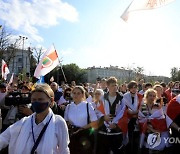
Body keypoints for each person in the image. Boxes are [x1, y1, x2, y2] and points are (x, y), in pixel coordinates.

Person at [0, 84, 70, 154]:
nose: (36, 102)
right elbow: (4, 137)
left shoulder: (58, 122)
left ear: (51, 101)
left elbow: (64, 149)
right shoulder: (24, 122)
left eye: (40, 99)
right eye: (33, 100)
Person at [64, 86, 98, 154]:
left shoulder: (88, 105)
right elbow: (66, 121)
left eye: (78, 93)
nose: (76, 95)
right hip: (72, 136)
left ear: (83, 94)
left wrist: (81, 128)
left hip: (84, 136)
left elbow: (94, 122)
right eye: (74, 93)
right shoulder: (69, 106)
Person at [138, 89, 173, 153]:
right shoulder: (143, 107)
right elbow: (141, 120)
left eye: (154, 96)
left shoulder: (157, 106)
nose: (152, 97)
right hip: (147, 130)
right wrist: (152, 129)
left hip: (158, 129)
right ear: (146, 96)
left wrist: (157, 129)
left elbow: (161, 119)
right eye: (150, 95)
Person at [96, 77, 125, 154]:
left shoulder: (121, 98)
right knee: (103, 150)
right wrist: (103, 117)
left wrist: (116, 124)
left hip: (117, 130)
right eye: (112, 85)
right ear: (107, 86)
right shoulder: (102, 98)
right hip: (104, 130)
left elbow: (124, 113)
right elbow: (97, 111)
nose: (115, 87)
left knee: (117, 150)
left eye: (116, 85)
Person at [123, 81, 143, 154]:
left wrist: (136, 113)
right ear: (129, 88)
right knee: (129, 138)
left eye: (135, 87)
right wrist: (130, 113)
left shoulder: (140, 96)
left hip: (138, 119)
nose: (134, 89)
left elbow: (142, 107)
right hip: (128, 120)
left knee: (136, 139)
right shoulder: (124, 96)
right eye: (132, 88)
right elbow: (123, 108)